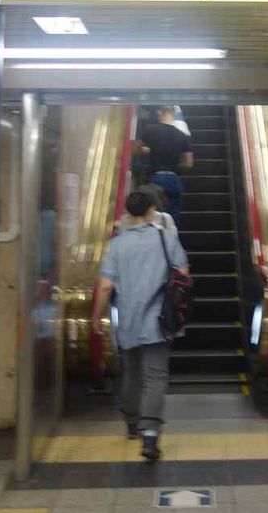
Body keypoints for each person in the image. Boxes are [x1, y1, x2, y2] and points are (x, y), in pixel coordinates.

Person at [92, 186, 189, 461]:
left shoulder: (117, 244)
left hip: (129, 319)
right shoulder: (165, 238)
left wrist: (97, 316)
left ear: (127, 212)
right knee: (155, 376)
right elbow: (183, 272)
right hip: (160, 320)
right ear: (151, 211)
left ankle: (131, 422)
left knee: (132, 373)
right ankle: (150, 436)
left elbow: (105, 286)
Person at [136, 106, 193, 229]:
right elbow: (189, 163)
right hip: (174, 180)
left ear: (159, 113)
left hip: (155, 179)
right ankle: (171, 238)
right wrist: (176, 163)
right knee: (172, 219)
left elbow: (138, 148)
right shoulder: (182, 135)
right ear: (173, 114)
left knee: (153, 216)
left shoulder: (150, 130)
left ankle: (155, 238)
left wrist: (147, 151)